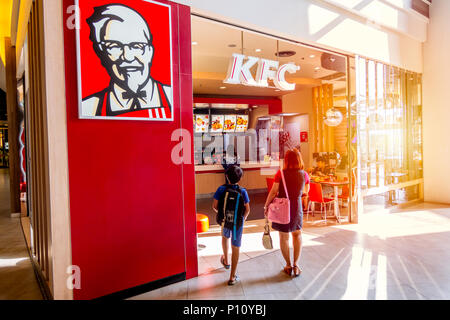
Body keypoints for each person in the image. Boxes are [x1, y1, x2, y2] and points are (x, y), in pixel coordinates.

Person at [82, 4, 172, 119]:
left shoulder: (173, 98)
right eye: (114, 46)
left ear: (150, 52)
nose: (128, 57)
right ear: (101, 53)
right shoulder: (89, 108)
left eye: (137, 46)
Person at [264, 149, 310, 277]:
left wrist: (266, 205)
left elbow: (273, 192)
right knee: (297, 235)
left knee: (284, 237)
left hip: (282, 207)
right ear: (299, 159)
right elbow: (306, 192)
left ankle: (288, 265)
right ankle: (296, 265)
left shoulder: (281, 174)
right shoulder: (304, 175)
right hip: (296, 207)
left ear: (287, 161)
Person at [212, 165, 250, 285]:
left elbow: (214, 206)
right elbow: (247, 209)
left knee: (224, 238)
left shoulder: (221, 189)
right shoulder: (243, 191)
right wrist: (241, 219)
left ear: (227, 176)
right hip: (237, 224)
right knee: (236, 247)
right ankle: (232, 277)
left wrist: (223, 214)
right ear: (240, 178)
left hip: (225, 221)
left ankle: (226, 261)